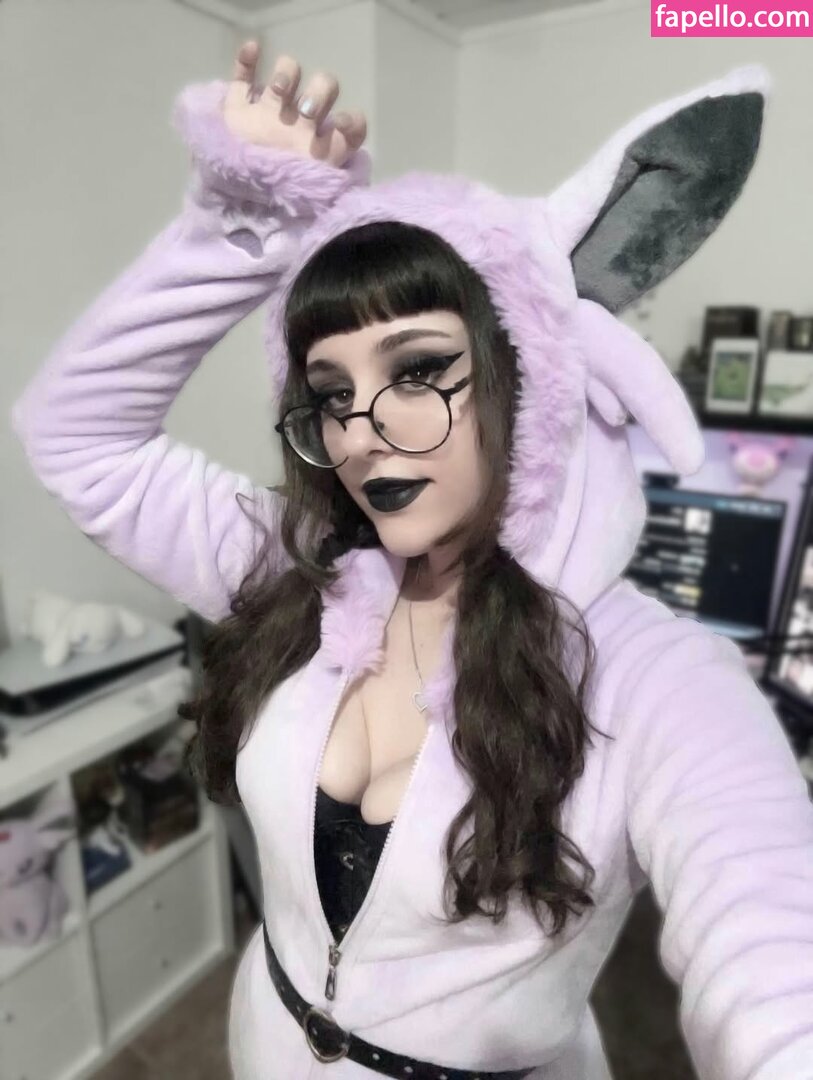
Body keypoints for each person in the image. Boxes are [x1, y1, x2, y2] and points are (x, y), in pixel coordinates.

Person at [12, 41, 813, 1080]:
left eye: (421, 370)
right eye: (331, 395)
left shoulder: (652, 676)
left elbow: (773, 962)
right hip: (268, 1041)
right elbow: (75, 438)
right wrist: (242, 220)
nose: (362, 434)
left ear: (527, 376)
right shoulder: (299, 572)